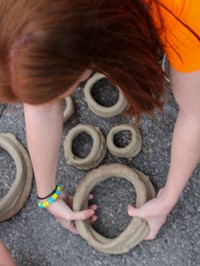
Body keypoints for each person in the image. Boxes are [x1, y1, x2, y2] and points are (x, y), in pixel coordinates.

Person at [0, 0, 199, 240]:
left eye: (63, 92)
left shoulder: (183, 13)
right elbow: (40, 103)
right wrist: (47, 194)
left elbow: (195, 113)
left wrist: (167, 200)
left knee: (189, 76)